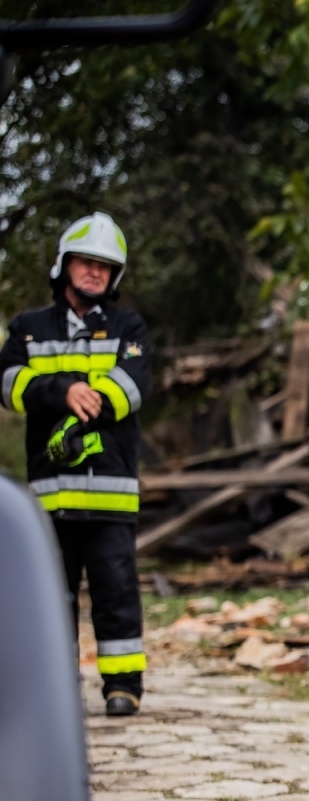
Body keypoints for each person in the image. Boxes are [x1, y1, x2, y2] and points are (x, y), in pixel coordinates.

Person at [0, 212, 154, 717]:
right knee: (52, 599)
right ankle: (54, 693)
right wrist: (60, 390)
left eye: (105, 267)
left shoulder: (128, 326)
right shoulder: (27, 328)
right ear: (64, 265)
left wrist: (94, 399)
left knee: (116, 592)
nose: (94, 273)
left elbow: (133, 385)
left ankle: (123, 687)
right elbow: (7, 383)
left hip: (110, 492)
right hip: (51, 493)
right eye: (86, 262)